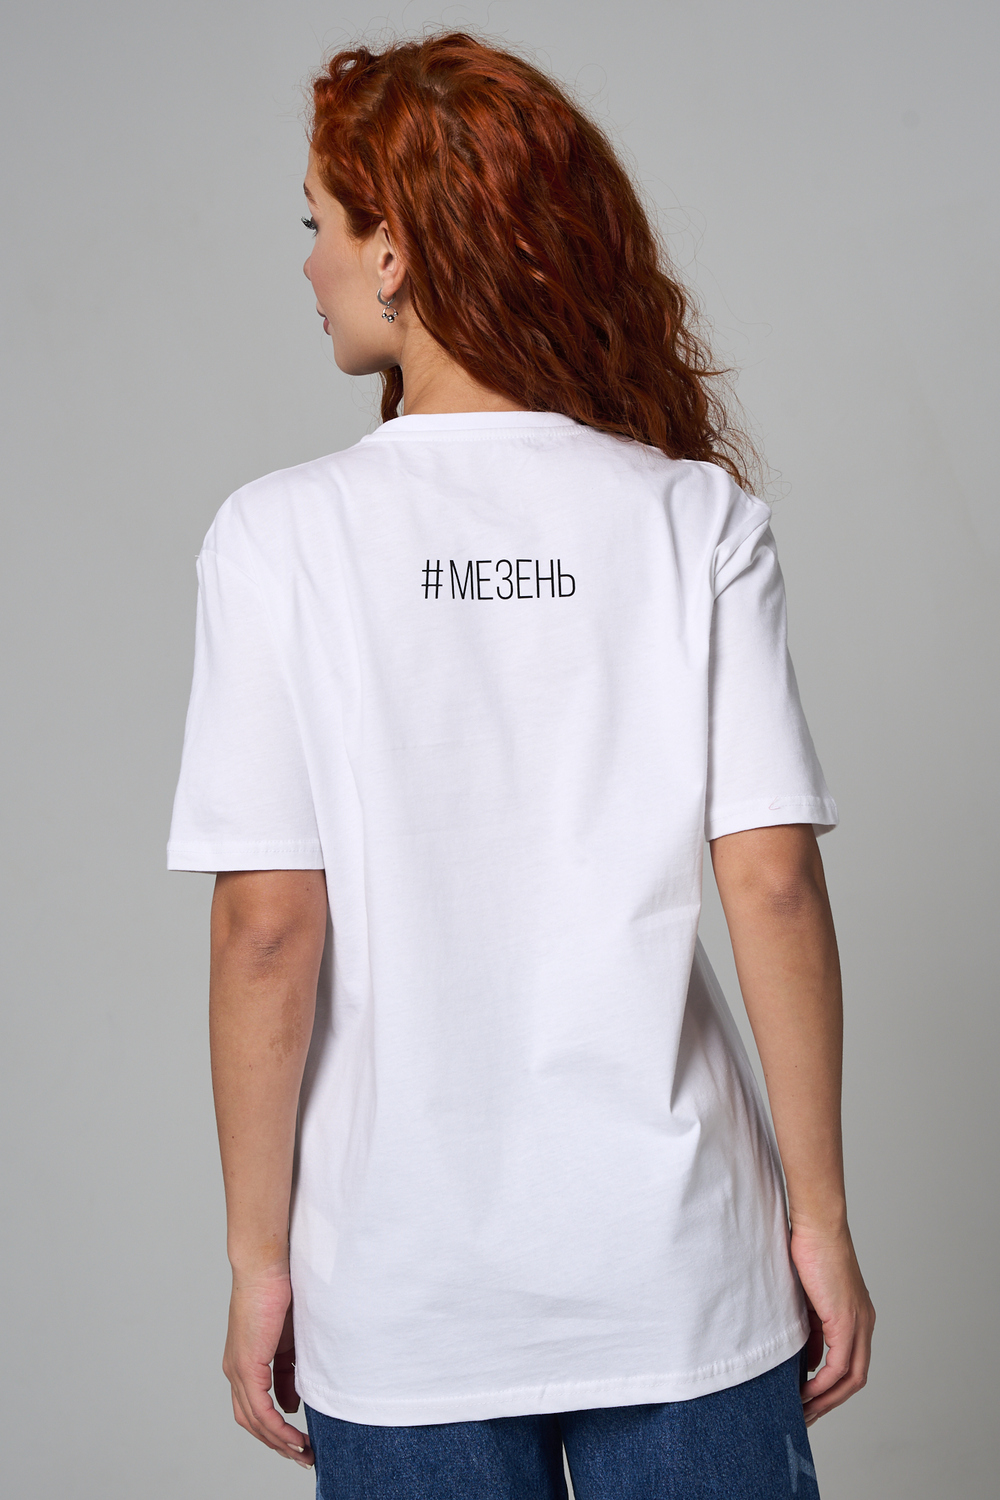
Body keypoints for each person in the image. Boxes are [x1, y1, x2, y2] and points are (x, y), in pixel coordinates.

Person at [167, 31, 874, 1499]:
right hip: (681, 1269)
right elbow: (775, 886)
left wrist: (257, 1261)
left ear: (395, 249)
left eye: (321, 222)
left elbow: (264, 930)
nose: (309, 263)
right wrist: (819, 1220)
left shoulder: (276, 538)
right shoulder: (693, 518)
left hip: (400, 1287)